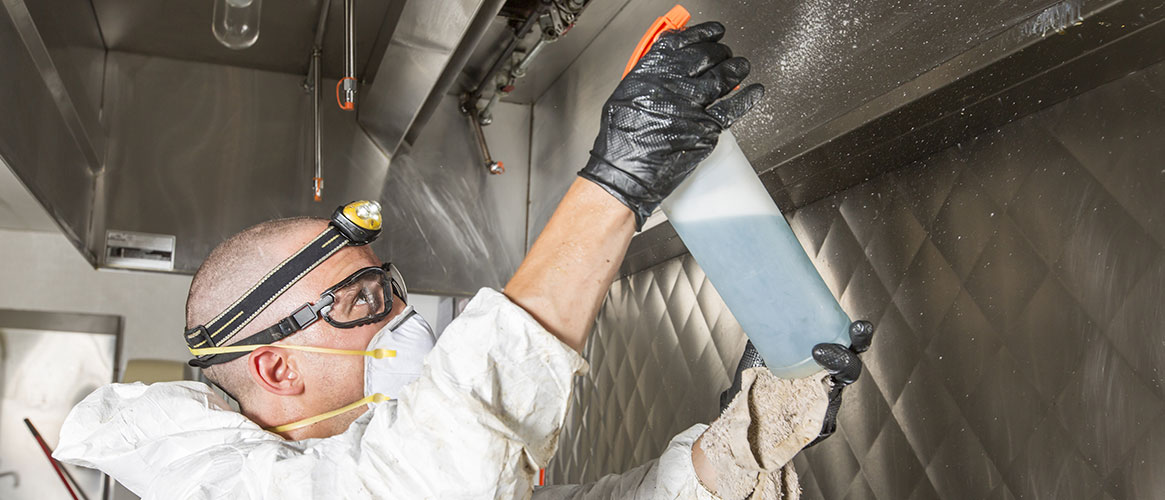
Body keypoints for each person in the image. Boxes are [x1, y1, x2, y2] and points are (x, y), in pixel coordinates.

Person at [53, 22, 867, 499]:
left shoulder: (341, 451)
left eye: (388, 287)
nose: (401, 318)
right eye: (359, 302)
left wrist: (738, 444)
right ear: (274, 367)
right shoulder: (200, 481)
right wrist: (617, 183)